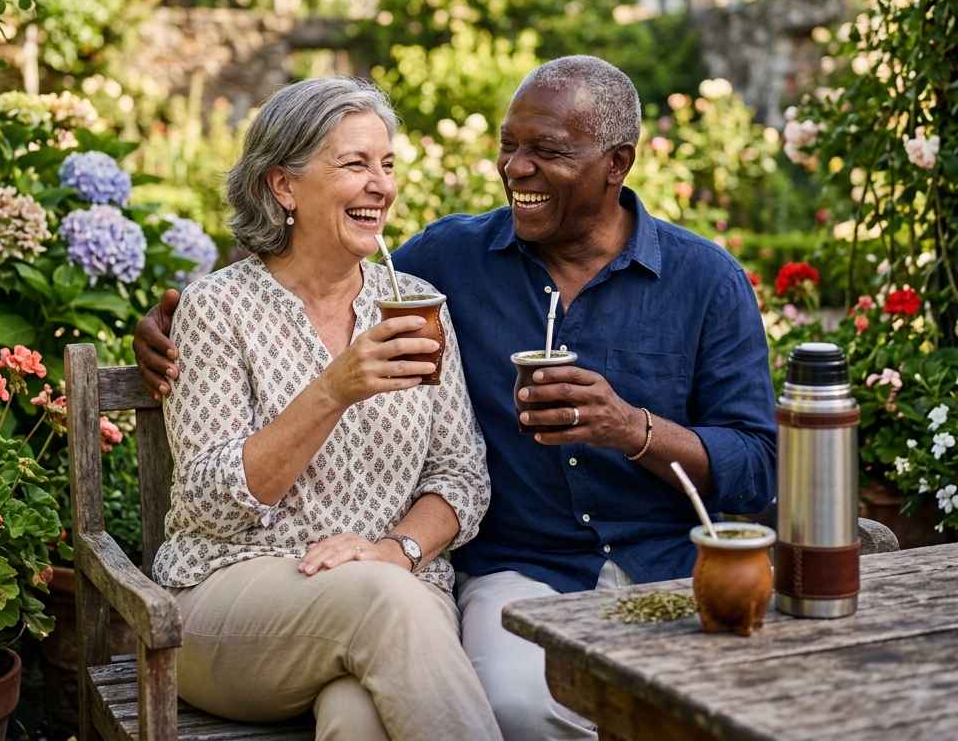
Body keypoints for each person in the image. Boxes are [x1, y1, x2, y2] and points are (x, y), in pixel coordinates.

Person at [135, 56, 776, 741]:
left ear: (617, 162)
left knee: (361, 721)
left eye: (546, 151)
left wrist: (632, 429)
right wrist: (198, 317)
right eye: (509, 145)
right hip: (492, 574)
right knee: (508, 698)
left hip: (664, 568)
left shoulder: (702, 279)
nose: (515, 168)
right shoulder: (448, 262)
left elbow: (757, 469)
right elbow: (300, 266)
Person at [146, 77, 502, 741]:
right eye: (355, 164)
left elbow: (461, 478)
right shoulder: (219, 308)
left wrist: (394, 551)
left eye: (387, 165)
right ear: (283, 186)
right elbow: (210, 504)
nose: (382, 185)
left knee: (359, 717)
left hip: (388, 595)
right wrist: (333, 390)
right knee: (384, 602)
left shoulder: (415, 304)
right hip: (230, 603)